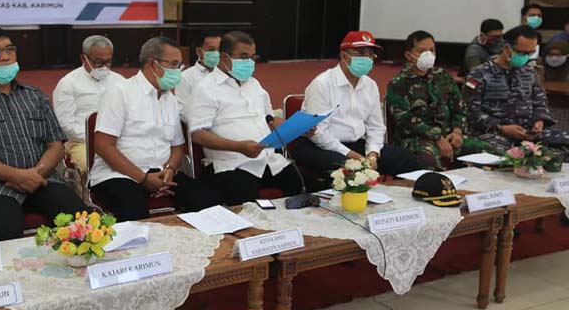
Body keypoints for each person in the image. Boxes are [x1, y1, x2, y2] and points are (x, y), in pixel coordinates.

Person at [0, 27, 86, 241]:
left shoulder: (35, 96)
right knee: (6, 235)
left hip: (43, 179)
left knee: (82, 225)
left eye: (10, 49)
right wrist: (17, 176)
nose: (5, 57)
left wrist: (35, 175)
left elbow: (56, 145)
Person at [89, 36, 221, 221]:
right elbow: (104, 147)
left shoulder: (170, 100)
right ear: (153, 64)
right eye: (174, 65)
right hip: (119, 175)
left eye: (180, 66)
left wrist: (170, 170)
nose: (178, 72)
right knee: (135, 213)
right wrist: (143, 179)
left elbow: (177, 147)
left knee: (208, 203)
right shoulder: (120, 93)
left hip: (161, 173)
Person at [188, 31, 303, 205]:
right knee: (245, 199)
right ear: (225, 57)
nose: (249, 62)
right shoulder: (205, 89)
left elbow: (269, 118)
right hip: (232, 164)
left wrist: (297, 127)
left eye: (252, 57)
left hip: (269, 160)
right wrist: (238, 147)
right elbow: (198, 134)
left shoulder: (254, 84)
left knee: (300, 186)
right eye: (243, 57)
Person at [291, 31, 422, 182]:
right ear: (344, 56)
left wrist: (372, 153)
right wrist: (353, 156)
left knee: (406, 159)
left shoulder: (370, 85)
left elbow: (376, 127)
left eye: (370, 54)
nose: (367, 59)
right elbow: (318, 133)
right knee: (350, 170)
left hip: (357, 145)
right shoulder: (322, 84)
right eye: (361, 54)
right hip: (319, 146)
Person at [463, 25, 569, 156]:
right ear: (506, 48)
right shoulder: (479, 74)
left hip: (528, 132)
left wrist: (539, 122)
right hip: (494, 133)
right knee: (501, 154)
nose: (525, 57)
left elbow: (540, 102)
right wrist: (501, 127)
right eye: (521, 53)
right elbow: (470, 112)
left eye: (529, 53)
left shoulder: (529, 73)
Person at [386, 31, 481, 170]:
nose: (428, 54)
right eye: (422, 51)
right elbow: (405, 120)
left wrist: (457, 131)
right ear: (409, 55)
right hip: (417, 139)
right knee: (429, 161)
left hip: (449, 135)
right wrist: (437, 137)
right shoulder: (398, 84)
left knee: (491, 153)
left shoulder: (443, 76)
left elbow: (459, 107)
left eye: (431, 50)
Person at [52, 35, 125, 174]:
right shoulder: (68, 84)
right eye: (98, 62)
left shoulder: (120, 81)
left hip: (117, 141)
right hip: (81, 142)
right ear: (83, 58)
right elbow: (65, 125)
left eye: (108, 62)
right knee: (94, 168)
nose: (104, 67)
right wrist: (96, 139)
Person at [176, 30, 221, 115]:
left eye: (219, 50)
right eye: (212, 50)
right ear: (199, 51)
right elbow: (181, 109)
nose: (217, 53)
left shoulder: (227, 74)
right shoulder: (186, 77)